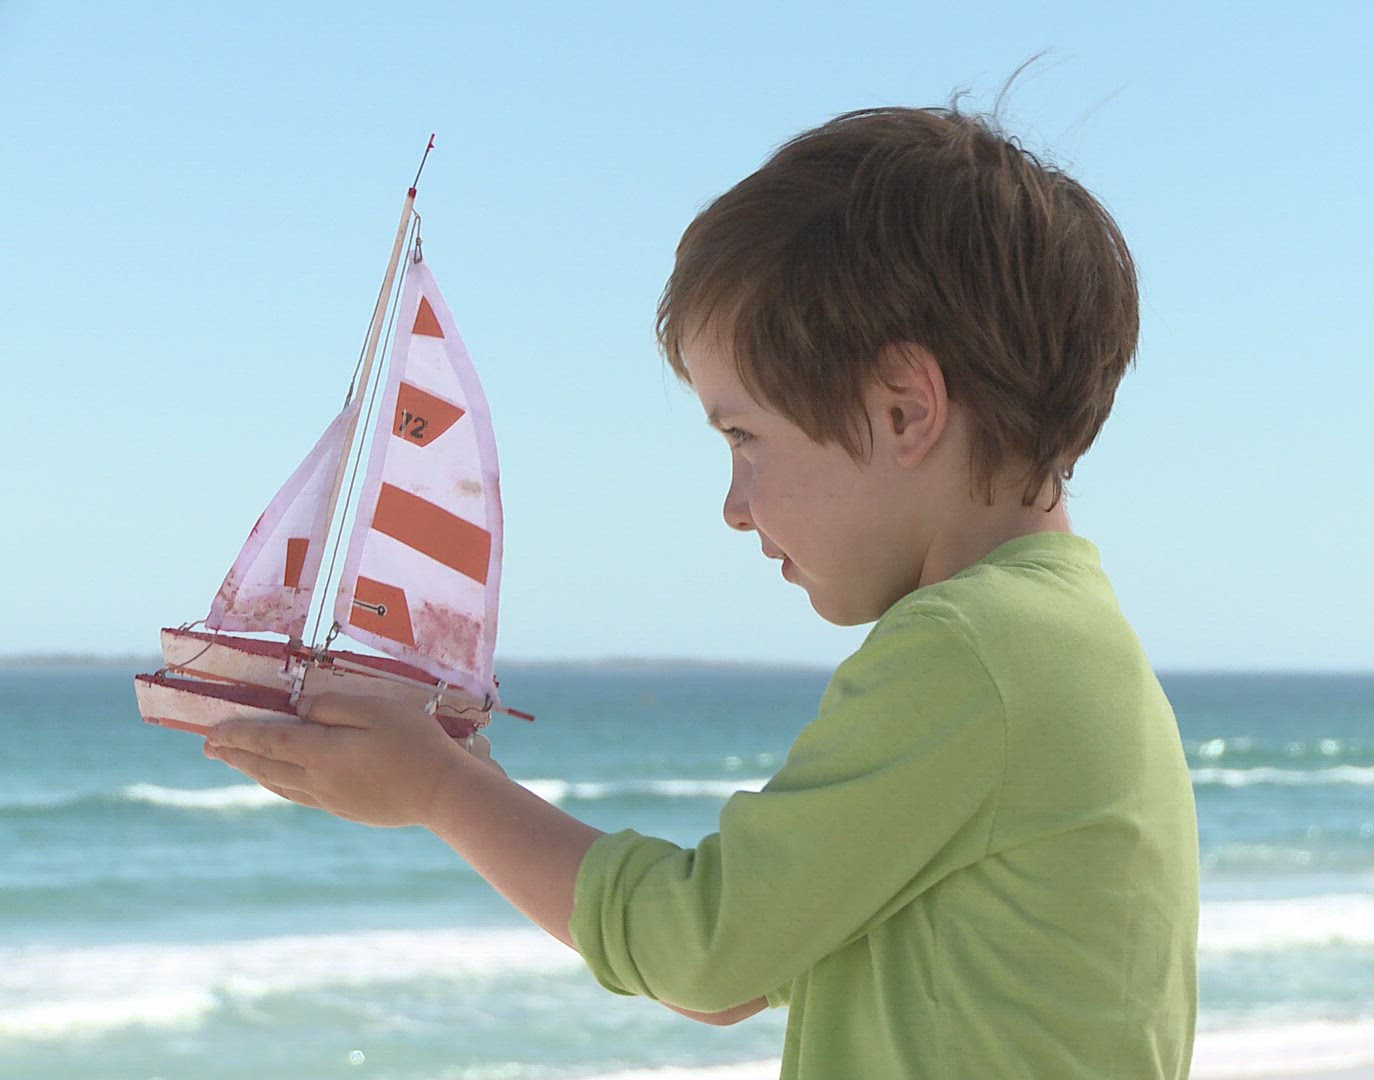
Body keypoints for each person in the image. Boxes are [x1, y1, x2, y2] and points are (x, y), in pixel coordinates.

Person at [205, 100, 1199, 1079]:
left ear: (905, 412)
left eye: (745, 438)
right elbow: (761, 944)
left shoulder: (971, 651)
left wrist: (440, 789)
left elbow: (706, 954)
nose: (733, 505)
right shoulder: (1063, 643)